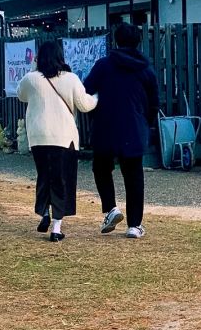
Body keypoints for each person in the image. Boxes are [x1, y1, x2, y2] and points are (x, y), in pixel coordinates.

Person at [17, 40, 98, 242]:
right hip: (63, 137)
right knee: (62, 180)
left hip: (38, 137)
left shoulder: (31, 79)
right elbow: (85, 105)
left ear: (39, 58)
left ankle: (44, 212)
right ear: (61, 57)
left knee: (44, 176)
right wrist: (97, 97)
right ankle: (56, 227)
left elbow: (21, 95)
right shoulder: (70, 79)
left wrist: (34, 67)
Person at [84, 22, 159, 239]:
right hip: (134, 128)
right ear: (138, 42)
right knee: (134, 176)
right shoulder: (145, 69)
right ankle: (134, 225)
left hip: (105, 126)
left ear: (116, 41)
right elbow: (154, 103)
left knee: (101, 168)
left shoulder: (103, 65)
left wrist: (94, 114)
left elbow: (86, 92)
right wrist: (146, 123)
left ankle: (111, 208)